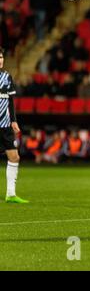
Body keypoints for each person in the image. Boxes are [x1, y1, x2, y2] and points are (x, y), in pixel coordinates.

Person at [0, 48, 28, 203]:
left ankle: (10, 194)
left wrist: (14, 120)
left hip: (5, 126)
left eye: (2, 57)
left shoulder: (7, 77)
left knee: (14, 156)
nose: (0, 60)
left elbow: (10, 101)